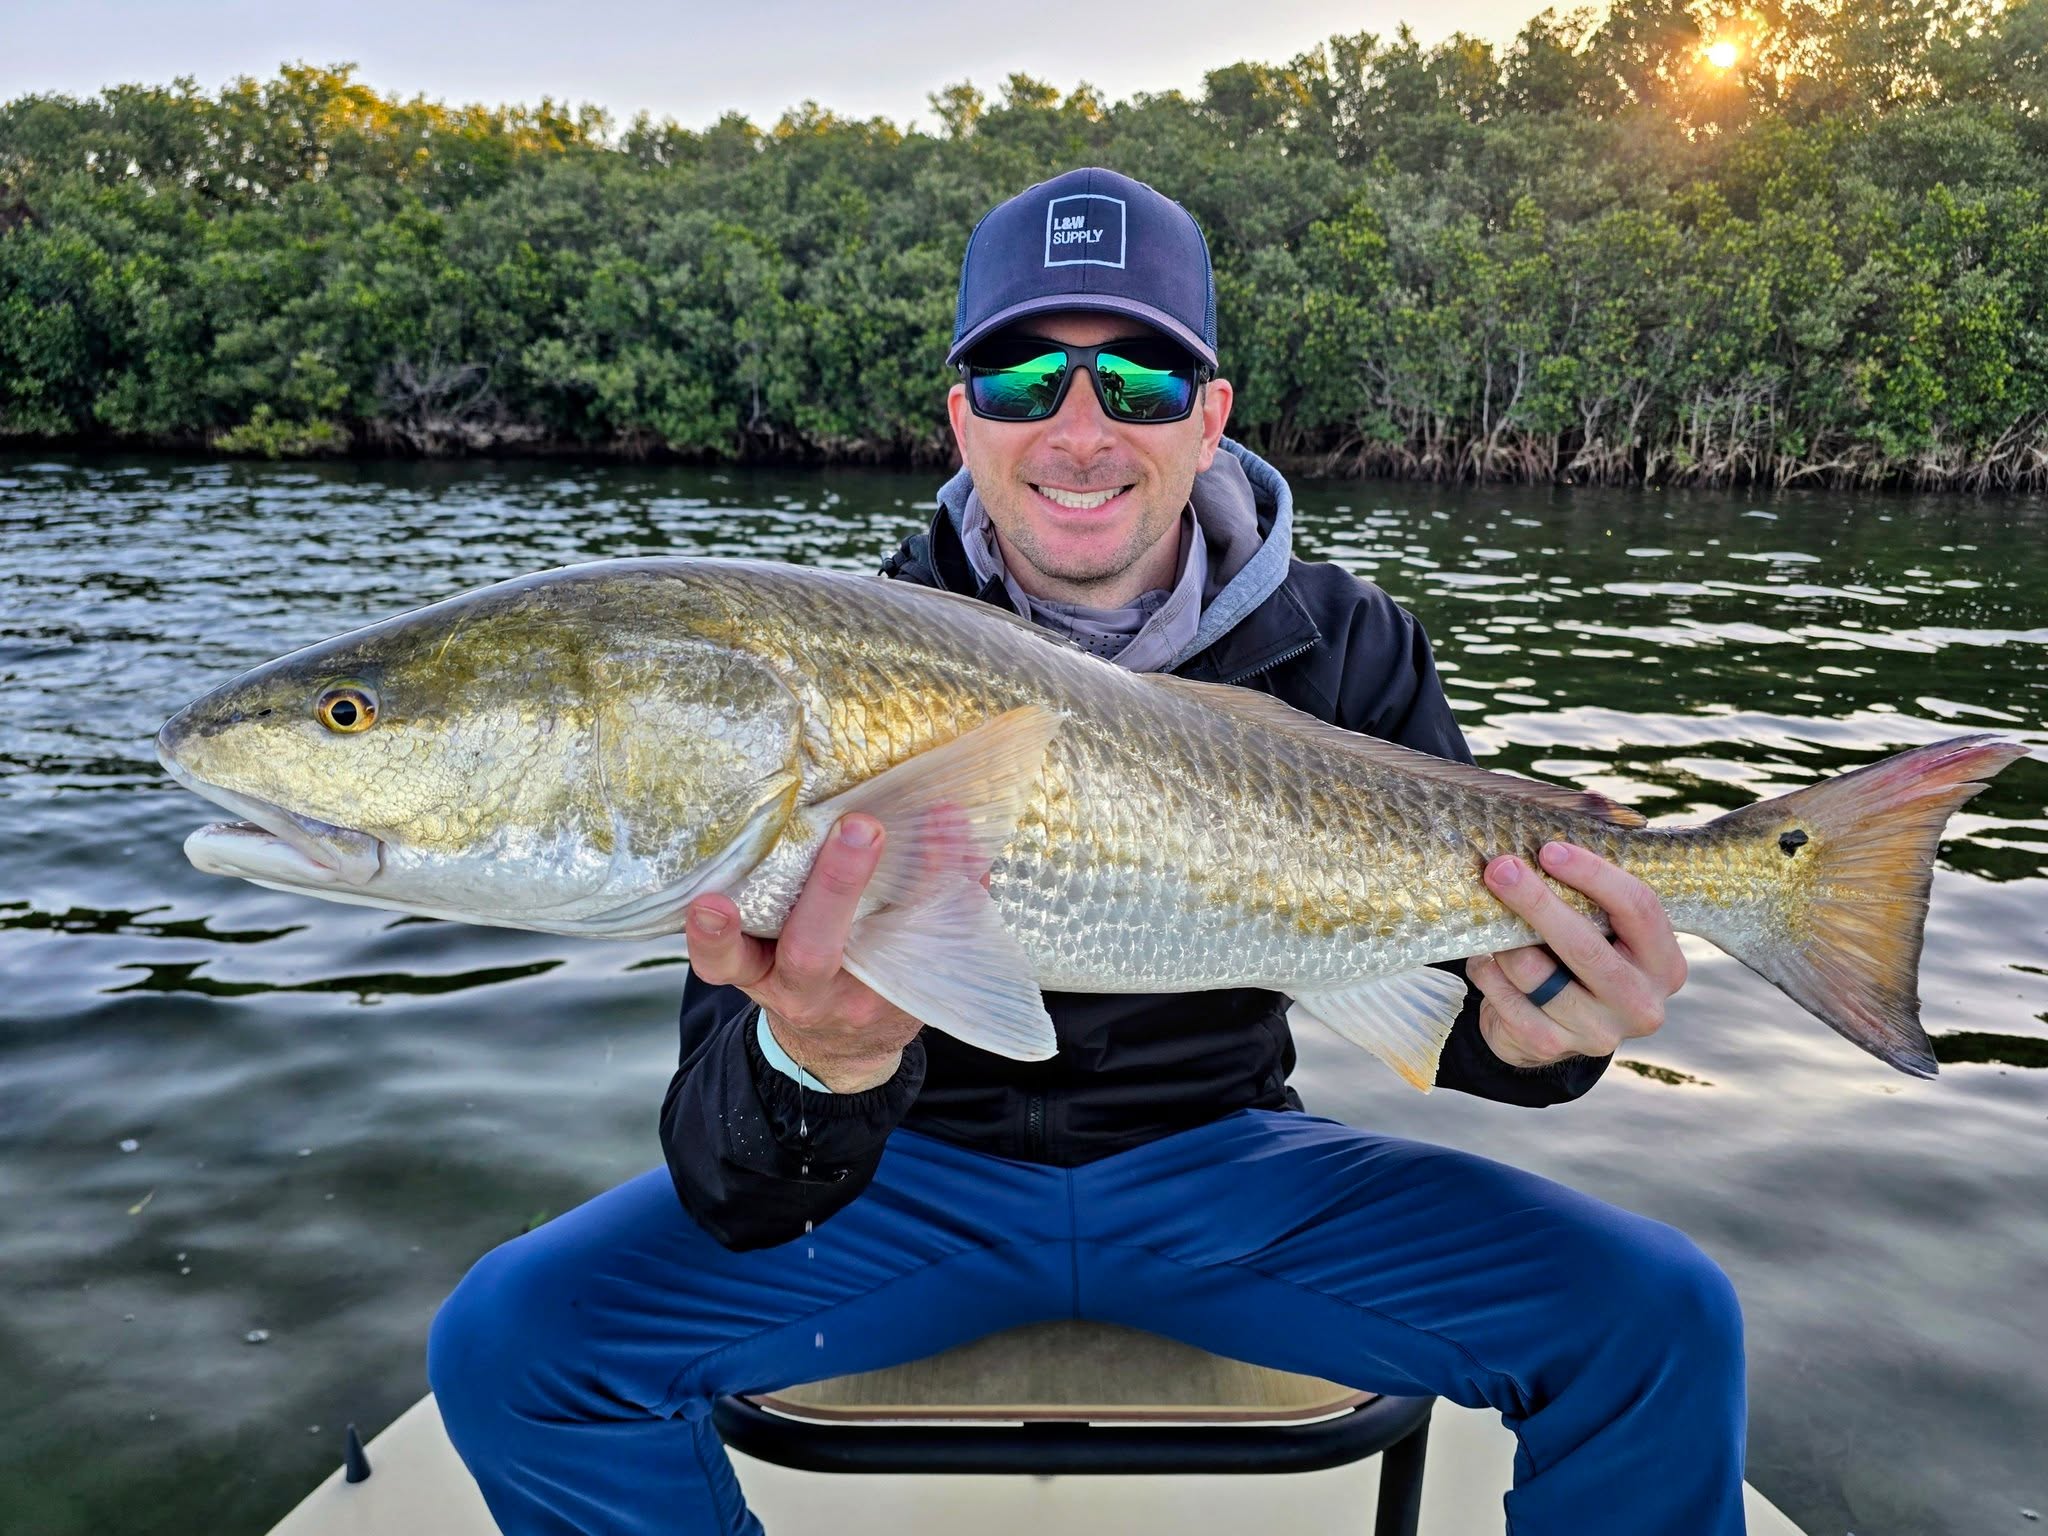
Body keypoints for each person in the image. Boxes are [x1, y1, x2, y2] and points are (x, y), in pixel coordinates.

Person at [428, 167, 1744, 1536]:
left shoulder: (1352, 647)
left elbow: (1470, 1009)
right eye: (1019, 380)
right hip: (901, 1184)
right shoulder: (818, 660)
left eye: (1139, 382)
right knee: (514, 1347)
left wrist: (1551, 1037)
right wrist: (820, 1065)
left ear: (1210, 416)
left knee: (1658, 1319)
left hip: (1235, 1175)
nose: (1079, 430)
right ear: (960, 416)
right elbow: (733, 1182)